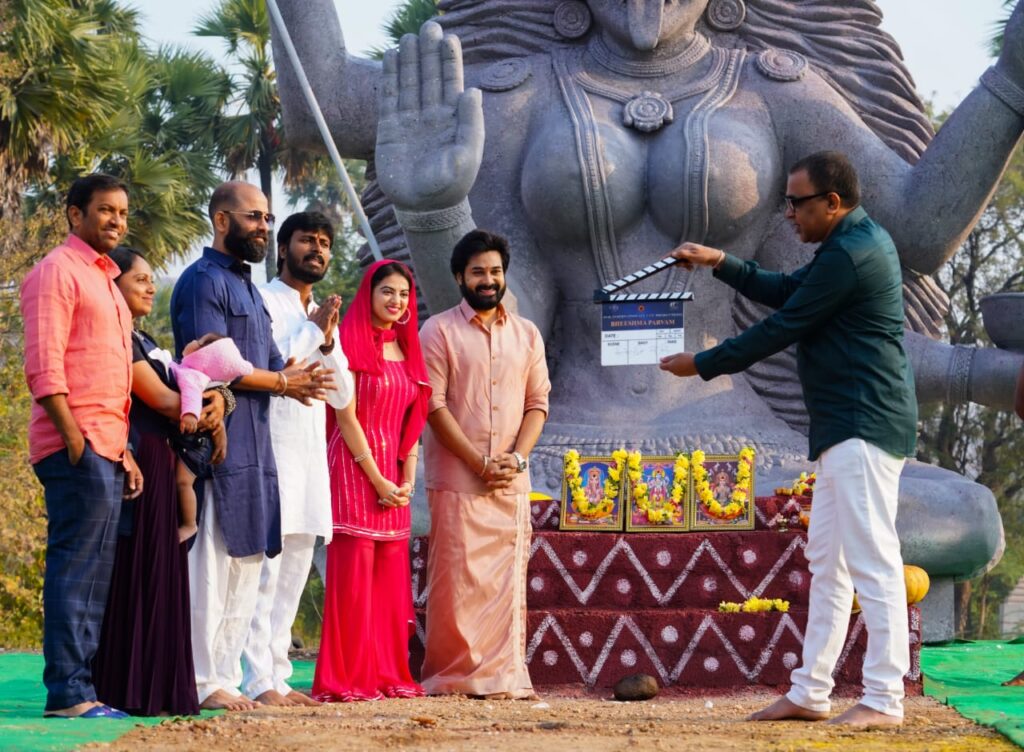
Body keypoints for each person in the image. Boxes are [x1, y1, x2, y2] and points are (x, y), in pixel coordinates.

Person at [660, 151, 917, 727]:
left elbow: (783, 325)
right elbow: (785, 291)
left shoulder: (852, 253)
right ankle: (811, 691)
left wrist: (703, 363)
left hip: (863, 423)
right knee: (828, 561)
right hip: (843, 427)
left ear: (833, 202)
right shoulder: (845, 246)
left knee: (873, 559)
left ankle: (884, 698)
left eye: (797, 203)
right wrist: (720, 261)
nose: (788, 214)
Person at [170, 181, 334, 711]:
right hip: (217, 442)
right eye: (254, 217)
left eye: (267, 218)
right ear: (222, 220)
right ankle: (202, 680)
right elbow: (210, 363)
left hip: (258, 444)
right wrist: (285, 383)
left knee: (245, 564)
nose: (264, 226)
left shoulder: (246, 288)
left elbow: (272, 365)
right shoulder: (203, 282)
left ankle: (228, 676)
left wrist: (302, 368)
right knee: (213, 567)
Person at [20, 173, 143, 719]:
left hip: (105, 446)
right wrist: (75, 440)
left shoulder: (108, 282)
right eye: (106, 210)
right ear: (76, 214)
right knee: (75, 568)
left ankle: (81, 689)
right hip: (76, 445)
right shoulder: (57, 271)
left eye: (123, 212)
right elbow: (44, 366)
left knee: (94, 572)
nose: (117, 221)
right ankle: (68, 694)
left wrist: (122, 450)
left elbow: (109, 377)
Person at [94, 247, 230, 717]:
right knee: (140, 569)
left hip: (163, 454)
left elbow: (185, 385)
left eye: (152, 279)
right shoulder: (118, 339)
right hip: (142, 456)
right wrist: (213, 412)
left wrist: (219, 404)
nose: (151, 286)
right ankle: (131, 686)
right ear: (113, 286)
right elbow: (165, 400)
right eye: (140, 279)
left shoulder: (144, 337)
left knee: (162, 569)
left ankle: (160, 683)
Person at [419, 229, 550, 699]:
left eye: (495, 271)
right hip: (457, 477)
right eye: (478, 272)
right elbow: (433, 405)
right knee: (457, 582)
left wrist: (517, 458)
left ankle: (504, 677)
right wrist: (477, 462)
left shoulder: (527, 334)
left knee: (503, 584)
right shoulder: (437, 331)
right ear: (460, 277)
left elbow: (538, 404)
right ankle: (454, 677)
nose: (488, 280)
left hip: (509, 480)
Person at [241, 212, 354, 707]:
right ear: (282, 248)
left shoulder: (322, 317)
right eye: (308, 240)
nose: (318, 249)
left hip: (309, 459)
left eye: (325, 242)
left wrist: (326, 340)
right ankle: (256, 681)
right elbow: (275, 368)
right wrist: (311, 332)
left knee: (295, 571)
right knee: (266, 572)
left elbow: (342, 395)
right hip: (271, 450)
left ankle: (281, 678)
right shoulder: (262, 300)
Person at [312, 259, 431, 703]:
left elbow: (411, 423)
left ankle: (387, 674)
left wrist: (407, 479)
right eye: (387, 291)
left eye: (403, 293)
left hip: (395, 478)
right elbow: (346, 417)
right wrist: (378, 480)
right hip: (353, 467)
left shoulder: (408, 348)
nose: (396, 300)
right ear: (369, 293)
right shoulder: (346, 344)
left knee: (389, 584)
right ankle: (347, 679)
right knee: (354, 580)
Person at [168, 334, 253, 542]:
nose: (192, 341)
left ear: (203, 355)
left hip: (196, 443)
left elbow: (190, 393)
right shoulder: (203, 376)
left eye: (198, 342)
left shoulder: (193, 375)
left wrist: (190, 414)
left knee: (183, 482)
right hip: (195, 441)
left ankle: (189, 524)